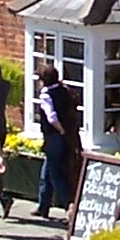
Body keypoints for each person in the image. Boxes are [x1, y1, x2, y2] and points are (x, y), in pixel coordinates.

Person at [33, 60, 83, 219]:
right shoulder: (64, 90)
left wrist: (60, 129)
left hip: (54, 137)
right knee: (47, 171)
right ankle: (43, 205)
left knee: (56, 174)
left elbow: (51, 117)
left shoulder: (46, 95)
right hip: (68, 137)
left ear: (43, 80)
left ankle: (69, 206)